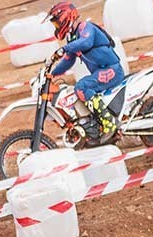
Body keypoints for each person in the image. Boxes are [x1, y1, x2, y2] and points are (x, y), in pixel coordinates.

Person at [46, 2, 125, 137]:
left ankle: (109, 123)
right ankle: (93, 123)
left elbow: (86, 42)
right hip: (101, 73)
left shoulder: (86, 28)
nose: (57, 27)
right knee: (79, 88)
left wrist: (64, 48)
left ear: (67, 17)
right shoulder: (72, 37)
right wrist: (51, 73)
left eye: (57, 23)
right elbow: (68, 60)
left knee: (81, 87)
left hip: (112, 70)